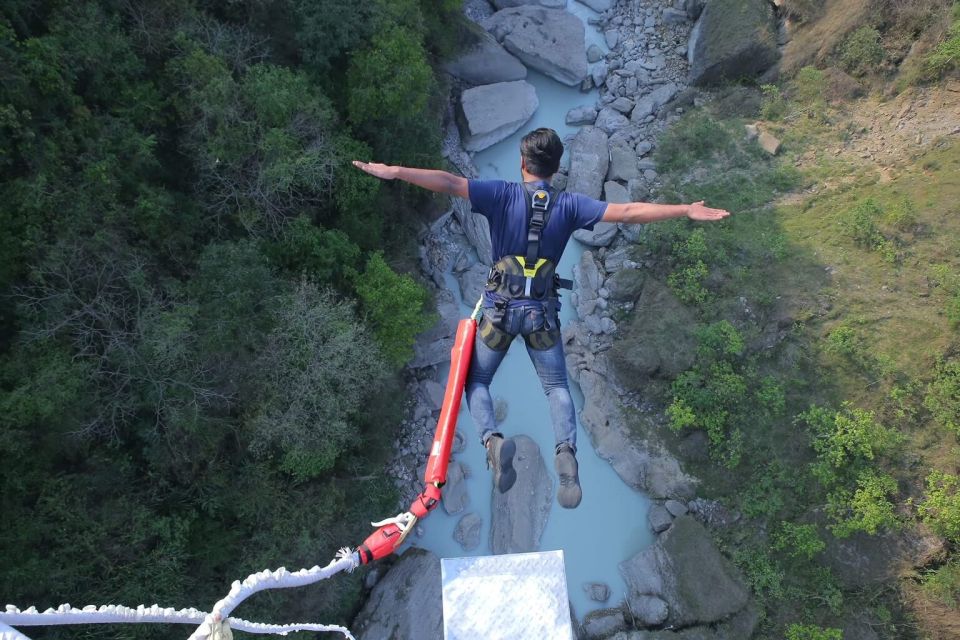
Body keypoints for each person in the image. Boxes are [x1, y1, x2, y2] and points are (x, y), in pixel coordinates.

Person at [353, 127, 729, 509]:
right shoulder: (569, 206)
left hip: (499, 313)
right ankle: (565, 449)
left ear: (522, 163)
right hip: (542, 316)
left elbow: (448, 182)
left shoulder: (500, 194)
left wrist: (396, 171)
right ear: (557, 167)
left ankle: (491, 441)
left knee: (477, 380)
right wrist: (684, 210)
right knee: (556, 387)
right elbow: (629, 212)